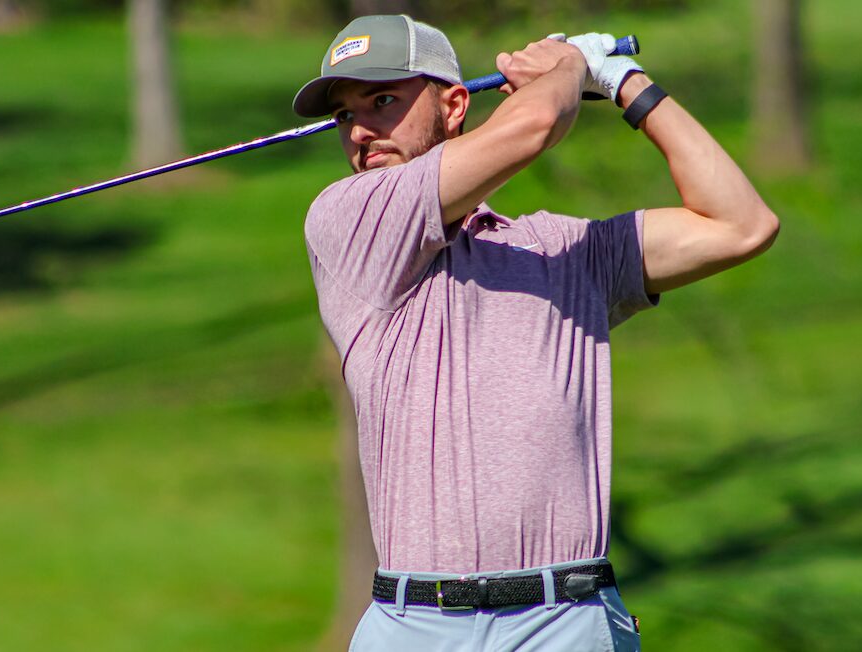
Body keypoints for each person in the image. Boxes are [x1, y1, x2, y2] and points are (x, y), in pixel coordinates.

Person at [294, 14, 778, 651]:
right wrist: (573, 67)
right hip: (414, 625)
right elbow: (534, 125)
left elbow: (740, 223)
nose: (360, 129)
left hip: (565, 621)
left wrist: (626, 82)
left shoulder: (559, 250)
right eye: (343, 115)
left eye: (383, 100)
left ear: (455, 103)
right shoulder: (346, 222)